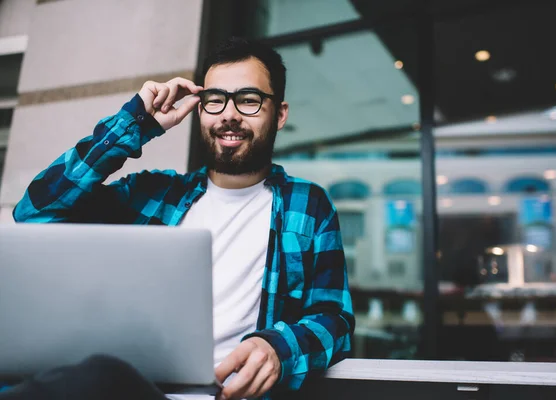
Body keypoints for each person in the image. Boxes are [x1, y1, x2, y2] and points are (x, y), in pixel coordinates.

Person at [10, 37, 355, 400]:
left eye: (249, 100)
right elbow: (36, 211)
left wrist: (278, 349)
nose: (229, 114)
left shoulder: (308, 205)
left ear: (280, 114)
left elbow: (335, 319)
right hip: (134, 388)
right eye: (215, 100)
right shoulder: (153, 194)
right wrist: (136, 124)